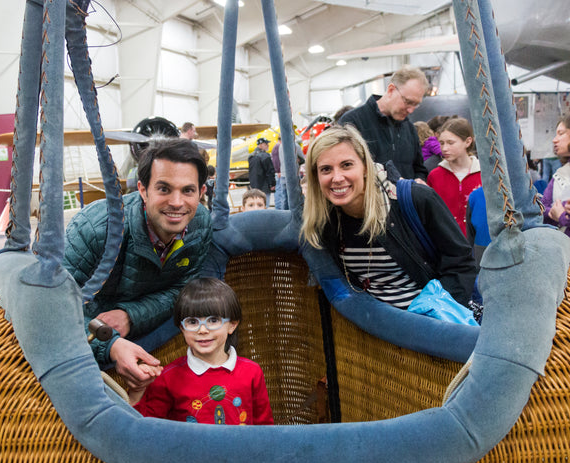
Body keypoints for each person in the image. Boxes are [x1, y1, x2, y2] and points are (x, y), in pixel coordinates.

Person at [63, 138, 212, 391]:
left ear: (201, 192)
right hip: (84, 343)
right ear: (143, 190)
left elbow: (185, 288)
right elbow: (53, 306)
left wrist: (130, 316)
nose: (177, 202)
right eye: (164, 189)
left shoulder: (200, 225)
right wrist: (110, 344)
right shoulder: (94, 228)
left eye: (188, 191)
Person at [300, 125, 475, 308]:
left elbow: (460, 263)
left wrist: (437, 312)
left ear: (365, 167)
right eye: (326, 169)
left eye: (347, 165)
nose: (337, 178)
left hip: (427, 320)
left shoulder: (416, 199)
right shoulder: (324, 219)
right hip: (365, 322)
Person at [130, 278, 274, 425]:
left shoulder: (252, 372)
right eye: (193, 322)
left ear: (232, 325)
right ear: (182, 328)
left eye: (213, 320)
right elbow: (144, 428)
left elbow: (265, 428)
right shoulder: (168, 377)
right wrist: (137, 390)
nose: (203, 330)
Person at [338, 65, 429, 182]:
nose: (411, 110)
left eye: (415, 104)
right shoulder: (352, 122)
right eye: (408, 101)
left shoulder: (409, 128)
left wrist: (419, 179)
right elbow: (342, 168)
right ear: (391, 90)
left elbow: (419, 168)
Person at [427, 118, 482, 237]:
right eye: (441, 143)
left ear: (467, 142)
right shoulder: (434, 176)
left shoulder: (483, 176)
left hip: (478, 242)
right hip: (445, 241)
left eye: (450, 143)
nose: (444, 148)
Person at [542, 113, 570, 236]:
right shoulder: (560, 173)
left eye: (561, 133)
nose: (554, 139)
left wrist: (561, 216)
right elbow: (542, 206)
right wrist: (552, 212)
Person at [248, 137, 276, 206]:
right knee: (265, 204)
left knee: (256, 205)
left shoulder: (251, 156)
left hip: (254, 185)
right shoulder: (265, 156)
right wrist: (272, 184)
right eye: (266, 144)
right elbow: (270, 171)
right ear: (260, 145)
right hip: (264, 185)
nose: (268, 145)